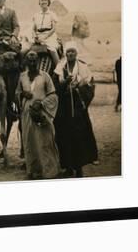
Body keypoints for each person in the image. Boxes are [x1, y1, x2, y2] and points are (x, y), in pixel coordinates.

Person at [53, 42, 98, 177]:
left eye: (73, 52)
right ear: (65, 54)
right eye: (68, 52)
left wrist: (78, 89)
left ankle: (79, 167)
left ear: (76, 53)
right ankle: (68, 166)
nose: (70, 54)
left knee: (79, 136)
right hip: (64, 108)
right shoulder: (60, 68)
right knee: (64, 135)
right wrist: (65, 84)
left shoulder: (83, 67)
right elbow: (55, 86)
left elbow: (90, 85)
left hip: (78, 108)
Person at [16, 51, 61, 179]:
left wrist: (41, 104)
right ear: (26, 62)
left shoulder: (45, 76)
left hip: (41, 114)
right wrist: (23, 94)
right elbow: (16, 94)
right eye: (29, 60)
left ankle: (49, 172)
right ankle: (33, 171)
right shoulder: (22, 77)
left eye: (34, 60)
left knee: (44, 142)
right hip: (26, 115)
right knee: (29, 142)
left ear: (38, 62)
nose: (32, 63)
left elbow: (53, 95)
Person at [27, 0, 60, 65]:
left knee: (52, 50)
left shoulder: (52, 14)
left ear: (48, 2)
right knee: (26, 49)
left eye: (45, 0)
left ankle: (59, 70)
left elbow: (53, 29)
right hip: (38, 36)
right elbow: (33, 29)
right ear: (39, 3)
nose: (43, 2)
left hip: (49, 36)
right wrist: (35, 36)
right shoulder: (36, 15)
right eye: (41, 0)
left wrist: (45, 37)